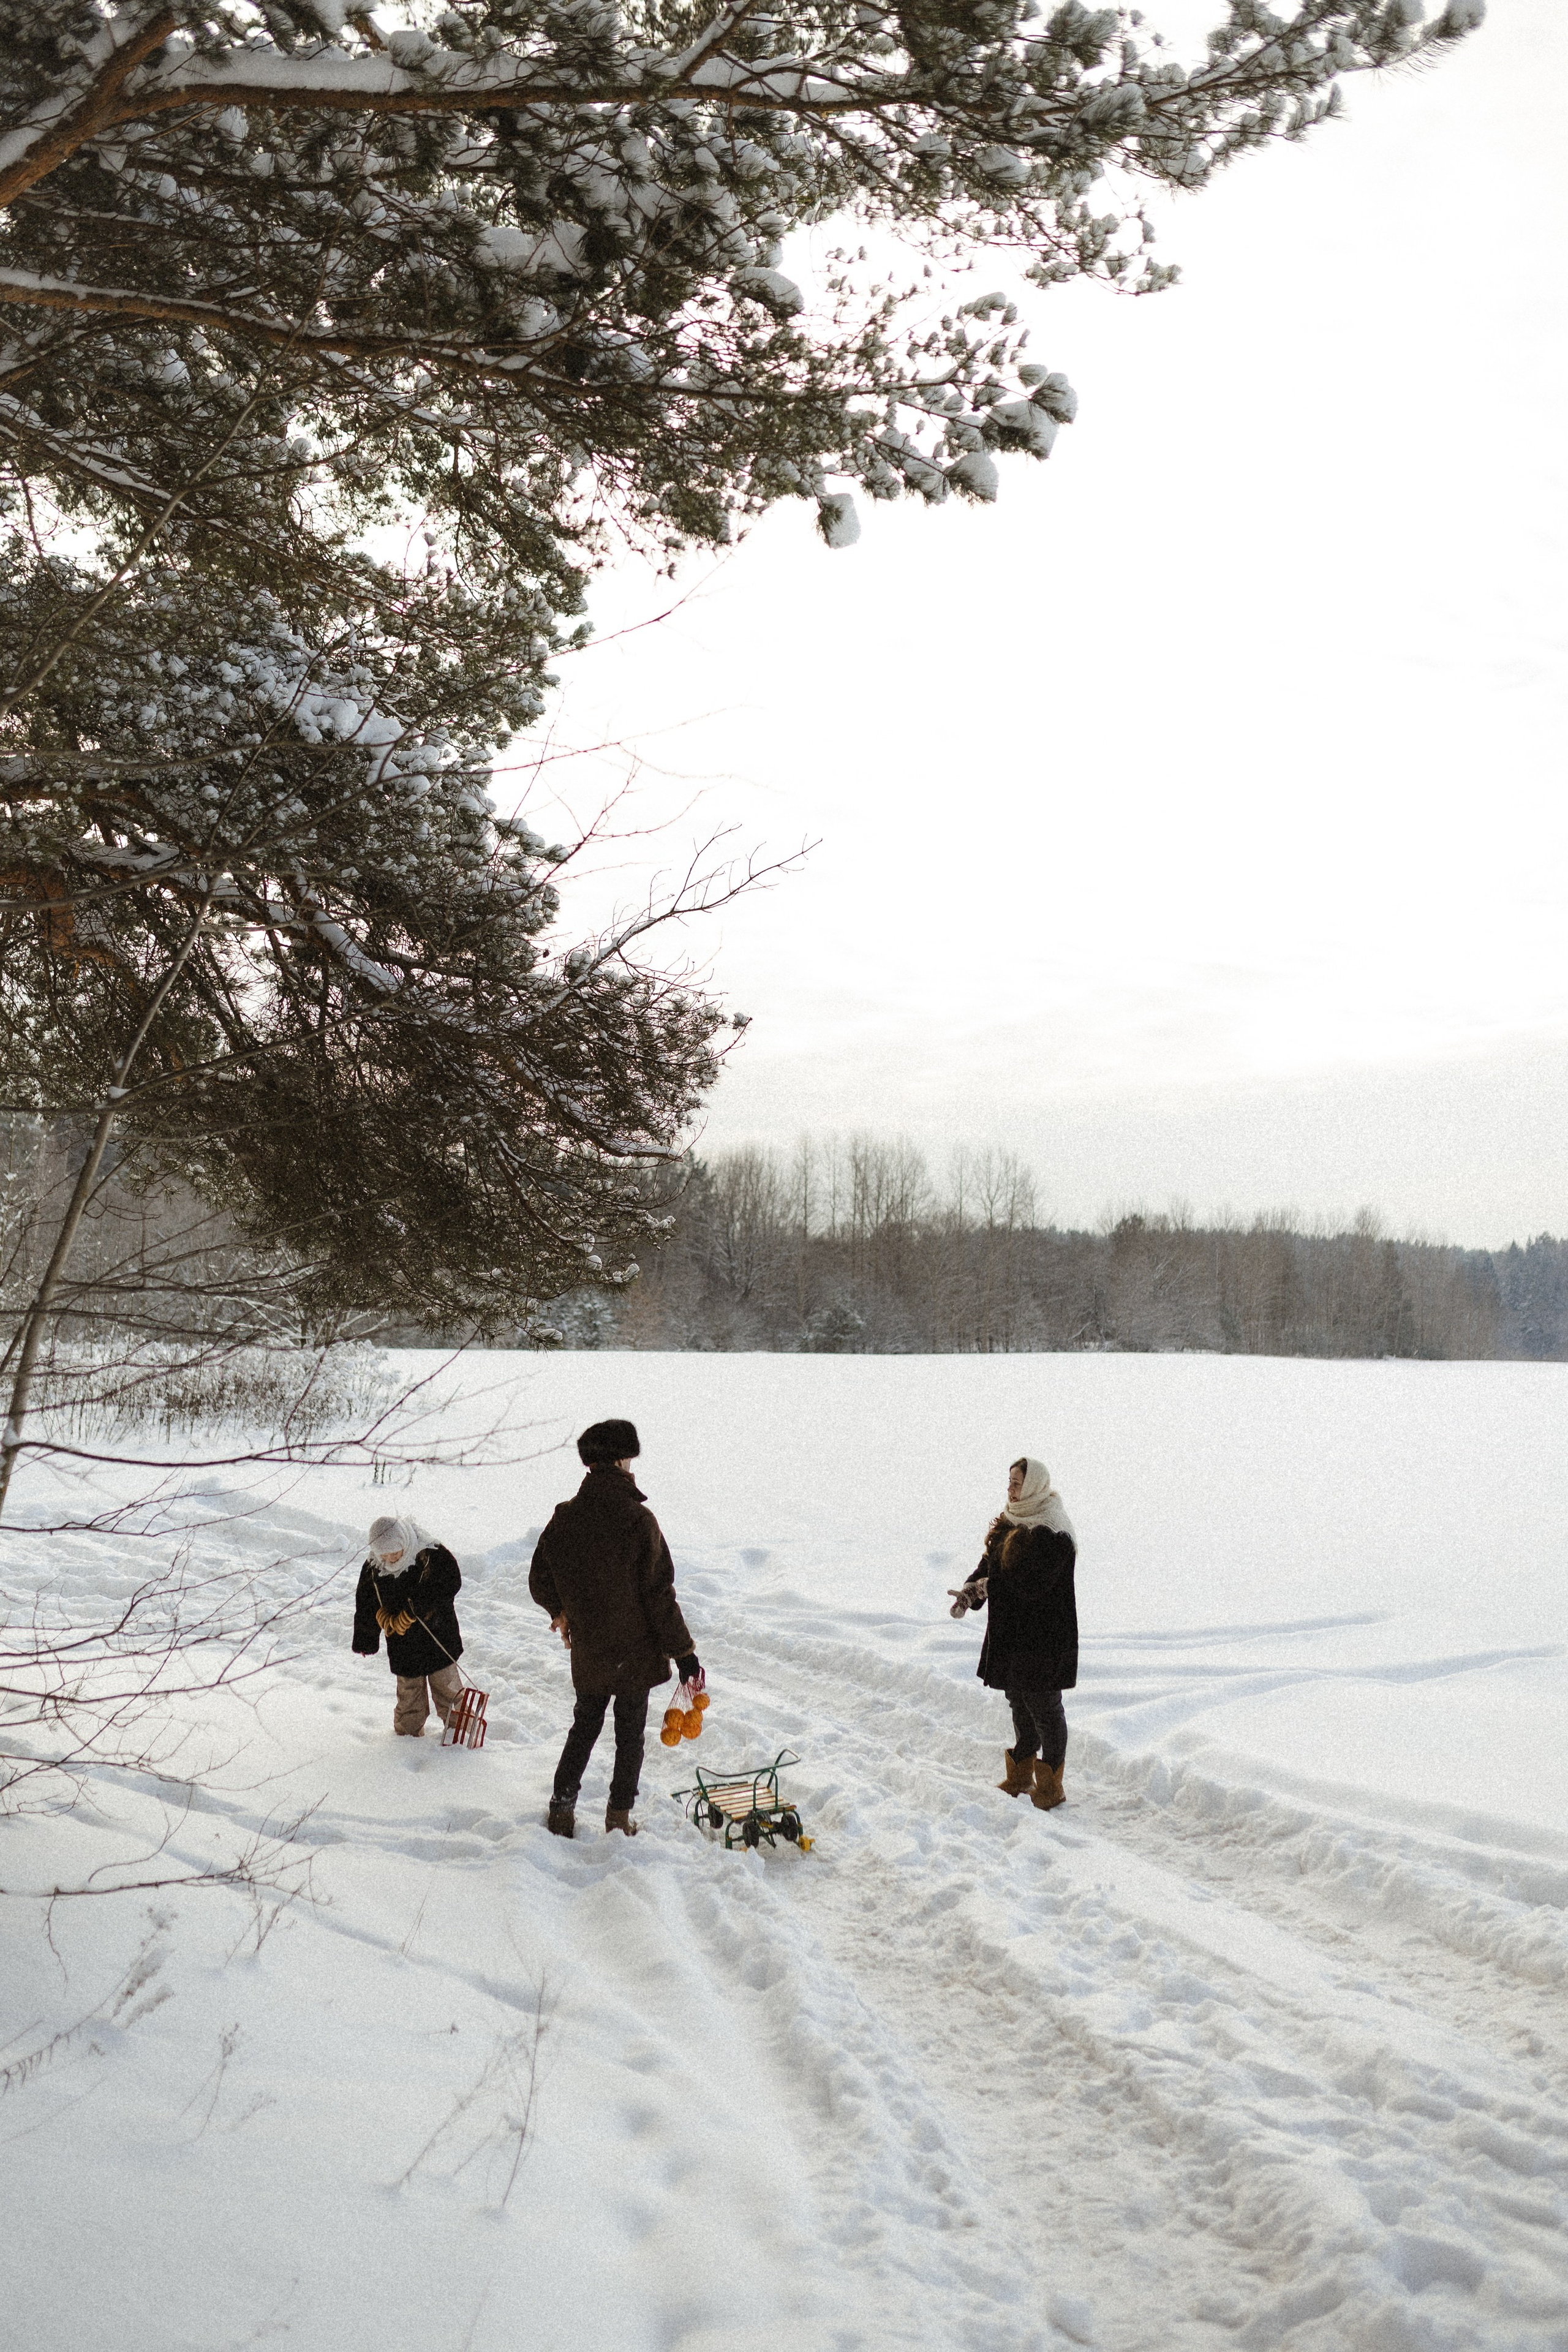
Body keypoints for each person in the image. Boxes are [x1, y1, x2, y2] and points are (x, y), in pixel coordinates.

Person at [529, 1419, 700, 1839]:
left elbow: (539, 1578)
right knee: (630, 1737)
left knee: (584, 1727)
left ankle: (561, 1810)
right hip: (635, 1651)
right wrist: (684, 1654)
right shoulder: (639, 1519)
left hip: (589, 1649)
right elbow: (659, 1596)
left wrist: (560, 1611)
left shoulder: (565, 1518)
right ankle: (618, 1818)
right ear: (623, 1461)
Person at [949, 1457, 1078, 1811]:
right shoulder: (1011, 1521)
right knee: (1018, 1700)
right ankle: (1021, 1775)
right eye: (1009, 1482)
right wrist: (970, 1588)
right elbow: (989, 1564)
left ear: (1035, 1485)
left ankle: (1051, 1785)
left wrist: (991, 1587)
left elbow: (1034, 1585)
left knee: (1045, 1707)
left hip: (1044, 1639)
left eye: (1018, 1483)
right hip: (1013, 1636)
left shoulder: (1054, 1532)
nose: (1011, 1489)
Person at [352, 1513, 466, 1737]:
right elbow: (366, 1602)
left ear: (405, 1541)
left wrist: (419, 1605)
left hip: (437, 1632)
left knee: (446, 1686)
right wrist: (366, 1638)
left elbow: (451, 1581)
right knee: (408, 1692)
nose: (391, 1559)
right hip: (402, 1640)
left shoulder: (429, 1554)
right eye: (385, 1555)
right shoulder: (374, 1567)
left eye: (395, 1552)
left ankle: (459, 1730)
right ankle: (407, 1735)